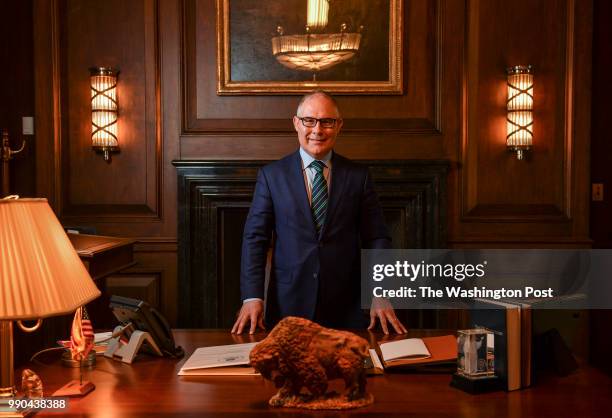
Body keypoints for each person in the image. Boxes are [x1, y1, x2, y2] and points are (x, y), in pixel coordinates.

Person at [231, 91, 407, 335]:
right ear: (296, 123)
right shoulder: (272, 176)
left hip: (347, 307)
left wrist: (380, 292)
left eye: (327, 121)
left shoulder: (358, 176)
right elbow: (255, 239)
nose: (317, 129)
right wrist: (251, 297)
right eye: (309, 120)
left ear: (339, 126)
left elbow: (376, 238)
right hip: (287, 305)